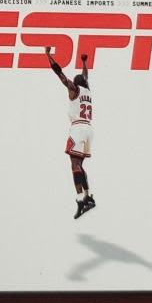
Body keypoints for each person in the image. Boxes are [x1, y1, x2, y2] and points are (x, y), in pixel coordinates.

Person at [45, 47, 95, 219]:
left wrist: (48, 55)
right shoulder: (88, 91)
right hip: (89, 129)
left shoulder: (75, 90)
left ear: (75, 83)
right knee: (80, 165)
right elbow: (86, 75)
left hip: (78, 128)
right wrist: (84, 62)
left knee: (74, 166)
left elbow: (59, 73)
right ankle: (88, 197)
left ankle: (80, 201)